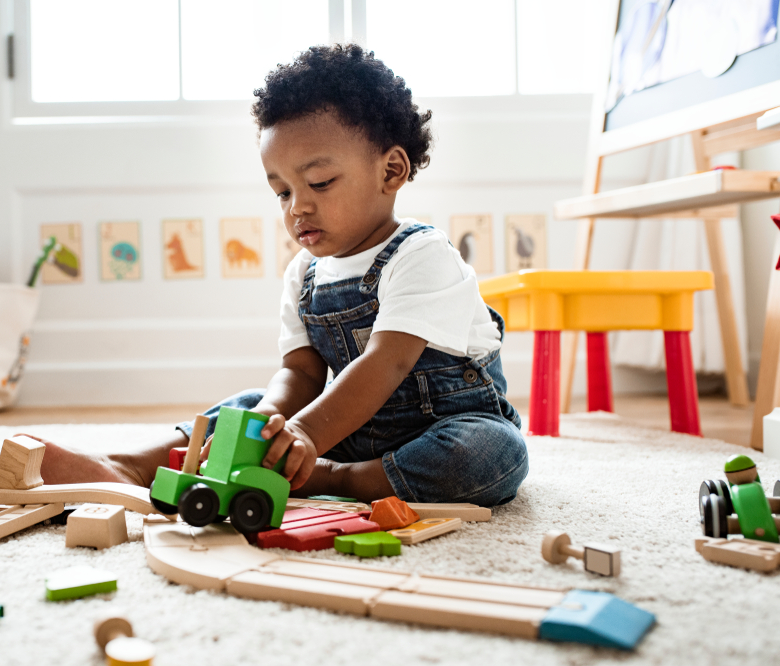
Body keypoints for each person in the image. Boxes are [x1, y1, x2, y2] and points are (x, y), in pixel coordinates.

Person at [36, 44, 528, 505]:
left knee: (489, 452)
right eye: (282, 191)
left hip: (441, 427)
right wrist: (270, 421)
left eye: (319, 182)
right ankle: (131, 466)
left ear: (391, 171)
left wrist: (308, 435)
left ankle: (338, 479)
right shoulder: (304, 273)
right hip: (346, 428)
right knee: (248, 406)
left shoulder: (422, 255)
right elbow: (301, 373)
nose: (299, 206)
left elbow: (386, 364)